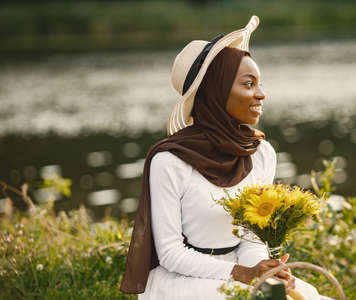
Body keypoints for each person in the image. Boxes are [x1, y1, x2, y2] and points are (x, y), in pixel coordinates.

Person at [120, 16, 321, 300]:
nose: (261, 94)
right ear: (216, 91)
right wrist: (243, 275)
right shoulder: (169, 161)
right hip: (183, 280)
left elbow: (251, 241)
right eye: (249, 84)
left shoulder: (261, 154)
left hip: (241, 269)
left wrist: (264, 273)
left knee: (303, 295)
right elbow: (170, 253)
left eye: (259, 83)